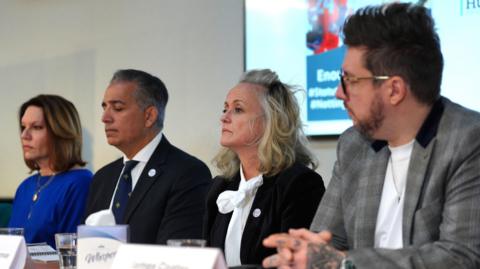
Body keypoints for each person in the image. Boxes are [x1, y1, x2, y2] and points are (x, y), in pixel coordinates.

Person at [262, 3, 480, 269]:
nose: (339, 93)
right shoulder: (354, 145)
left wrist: (344, 263)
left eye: (350, 80)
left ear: (394, 90)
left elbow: (460, 258)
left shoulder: (468, 140)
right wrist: (301, 256)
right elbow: (325, 243)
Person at [203, 69, 325, 266]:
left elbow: (295, 263)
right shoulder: (219, 187)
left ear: (271, 121)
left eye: (238, 109)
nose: (224, 117)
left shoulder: (299, 185)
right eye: (225, 108)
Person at [84, 69, 212, 244]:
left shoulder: (187, 173)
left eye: (118, 108)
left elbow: (177, 254)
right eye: (104, 107)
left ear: (149, 116)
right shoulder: (102, 178)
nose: (105, 118)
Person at [9, 94, 93, 248]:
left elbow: (72, 256)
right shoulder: (25, 186)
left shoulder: (80, 183)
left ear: (60, 132)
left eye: (36, 127)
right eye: (23, 127)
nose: (24, 135)